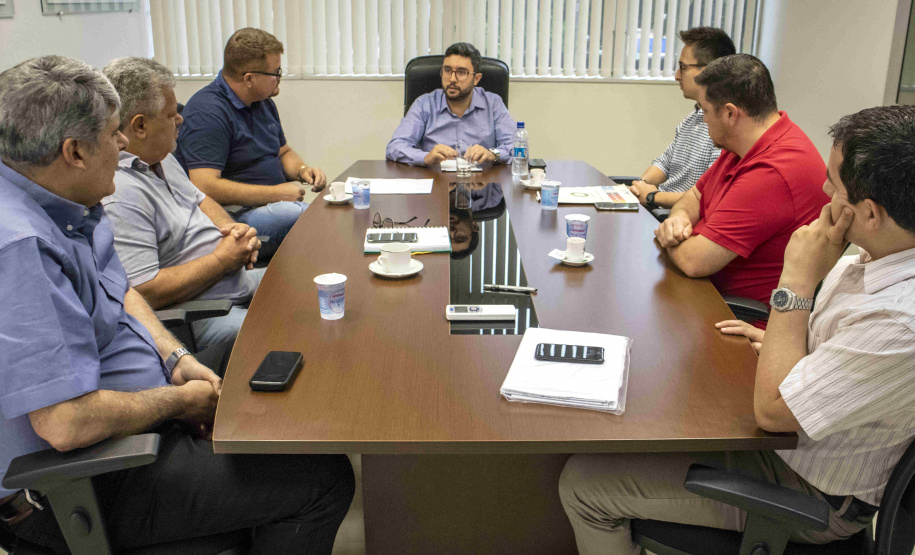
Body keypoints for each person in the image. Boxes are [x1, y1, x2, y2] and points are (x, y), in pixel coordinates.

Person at [0, 55, 353, 554]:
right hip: (81, 482)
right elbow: (66, 422)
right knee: (322, 479)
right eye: (111, 135)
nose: (123, 143)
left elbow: (122, 292)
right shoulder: (21, 247)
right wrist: (179, 401)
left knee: (264, 362)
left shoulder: (69, 200)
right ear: (74, 151)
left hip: (133, 413)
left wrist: (176, 360)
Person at [560, 104, 915, 554]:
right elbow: (840, 362)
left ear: (868, 213)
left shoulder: (901, 318)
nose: (823, 189)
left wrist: (796, 281)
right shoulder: (874, 259)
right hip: (790, 443)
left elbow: (773, 413)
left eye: (834, 183)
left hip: (808, 487)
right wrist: (777, 343)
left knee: (584, 483)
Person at [102, 57, 264, 350]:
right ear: (140, 126)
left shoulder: (161, 155)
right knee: (283, 333)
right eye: (170, 114)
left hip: (235, 282)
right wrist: (222, 260)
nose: (180, 119)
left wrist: (233, 231)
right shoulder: (120, 192)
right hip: (200, 314)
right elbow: (143, 290)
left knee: (308, 290)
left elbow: (200, 200)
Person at [654, 54, 829, 321]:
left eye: (704, 110)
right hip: (703, 296)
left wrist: (667, 237)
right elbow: (694, 195)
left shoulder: (774, 170)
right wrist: (676, 220)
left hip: (734, 320)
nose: (702, 120)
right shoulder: (746, 143)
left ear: (730, 113)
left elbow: (694, 261)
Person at [175, 27, 326, 258]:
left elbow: (283, 152)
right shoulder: (207, 113)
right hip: (232, 216)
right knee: (308, 218)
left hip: (269, 205)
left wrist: (302, 170)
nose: (279, 78)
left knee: (331, 211)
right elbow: (204, 185)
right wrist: (275, 194)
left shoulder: (262, 101)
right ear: (249, 78)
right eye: (275, 72)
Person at [628, 27, 735, 213]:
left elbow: (707, 195)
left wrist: (652, 196)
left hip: (676, 216)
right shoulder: (694, 116)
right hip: (658, 208)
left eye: (683, 67)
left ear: (710, 70)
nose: (677, 75)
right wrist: (642, 185)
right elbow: (665, 162)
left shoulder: (724, 126)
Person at [386, 42, 516, 167]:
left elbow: (516, 147)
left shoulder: (493, 104)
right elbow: (395, 146)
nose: (452, 79)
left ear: (476, 78)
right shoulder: (424, 104)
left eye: (461, 72)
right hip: (435, 182)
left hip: (482, 183)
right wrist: (425, 157)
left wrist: (493, 154)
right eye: (447, 70)